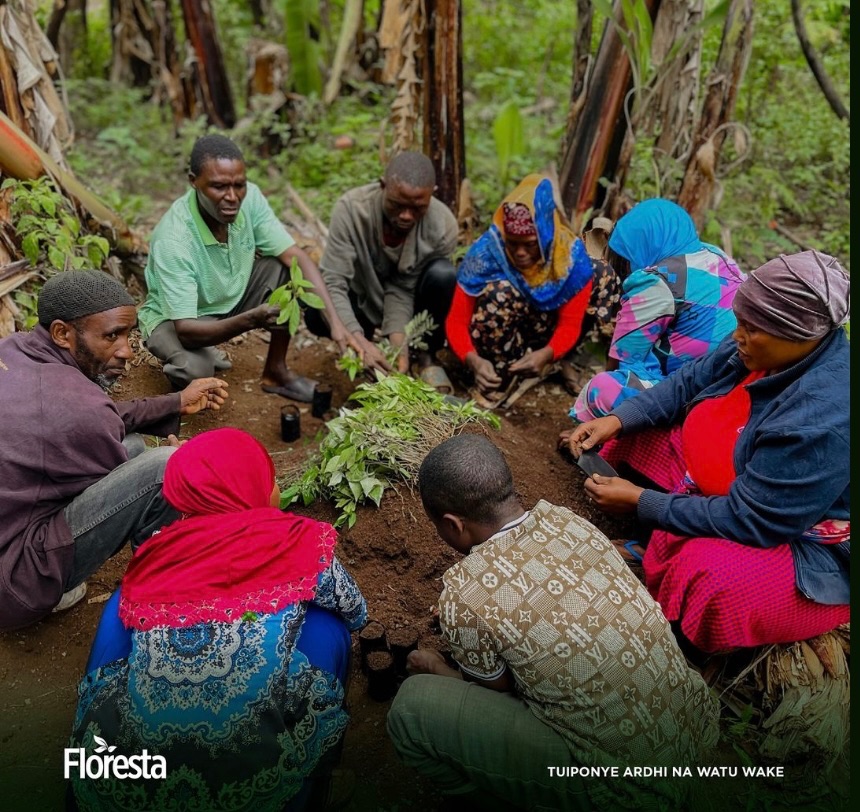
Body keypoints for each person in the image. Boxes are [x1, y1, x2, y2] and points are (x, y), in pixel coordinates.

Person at [388, 434, 719, 810]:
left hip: (627, 786)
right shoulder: (568, 522)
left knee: (411, 708)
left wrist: (435, 667)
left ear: (452, 525)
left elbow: (497, 691)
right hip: (691, 732)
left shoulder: (463, 596)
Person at [69, 428, 367, 812]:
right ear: (253, 488)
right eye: (271, 480)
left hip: (131, 788)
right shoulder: (297, 542)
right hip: (254, 788)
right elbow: (357, 610)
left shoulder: (157, 553)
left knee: (119, 611)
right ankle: (319, 778)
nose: (277, 489)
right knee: (330, 628)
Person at [567, 250, 849, 655]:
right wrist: (619, 418)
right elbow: (689, 381)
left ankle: (680, 639)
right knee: (628, 436)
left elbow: (752, 518)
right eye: (741, 321)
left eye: (753, 329)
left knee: (711, 576)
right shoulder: (756, 345)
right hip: (732, 480)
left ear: (801, 336)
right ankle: (655, 541)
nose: (738, 335)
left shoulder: (822, 417)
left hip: (799, 537)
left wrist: (642, 502)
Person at [0, 270, 227, 631]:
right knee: (165, 467)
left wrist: (175, 403)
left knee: (132, 444)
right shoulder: (79, 408)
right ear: (62, 333)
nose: (127, 352)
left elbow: (96, 420)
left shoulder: (14, 350)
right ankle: (163, 594)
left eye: (128, 334)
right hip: (14, 582)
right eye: (111, 336)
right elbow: (100, 432)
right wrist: (180, 462)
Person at [138, 133, 356, 401]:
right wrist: (252, 319)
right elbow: (186, 329)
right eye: (218, 187)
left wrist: (336, 323)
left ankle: (276, 372)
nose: (232, 197)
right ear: (193, 182)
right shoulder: (174, 238)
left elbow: (294, 255)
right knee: (195, 369)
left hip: (230, 294)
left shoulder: (249, 198)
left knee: (288, 273)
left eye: (239, 185)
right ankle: (183, 391)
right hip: (180, 317)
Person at [446, 174, 621, 404]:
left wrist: (549, 354)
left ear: (546, 234)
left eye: (530, 244)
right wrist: (472, 359)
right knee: (501, 290)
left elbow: (570, 323)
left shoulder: (569, 258)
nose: (519, 252)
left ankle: (567, 360)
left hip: (548, 328)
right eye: (512, 243)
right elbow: (457, 320)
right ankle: (501, 374)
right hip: (504, 333)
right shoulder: (486, 253)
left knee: (601, 272)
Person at [570, 198, 745, 421]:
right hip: (726, 386)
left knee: (603, 388)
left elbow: (623, 357)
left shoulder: (656, 281)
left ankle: (589, 434)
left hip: (684, 392)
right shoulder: (717, 256)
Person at [305, 151, 458, 387]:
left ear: (432, 195)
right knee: (316, 312)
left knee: (444, 275)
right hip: (361, 296)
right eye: (397, 205)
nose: (406, 216)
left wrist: (399, 347)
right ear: (382, 186)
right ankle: (363, 344)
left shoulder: (442, 225)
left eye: (417, 208)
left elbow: (403, 288)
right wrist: (358, 341)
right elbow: (334, 282)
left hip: (413, 303)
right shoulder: (351, 210)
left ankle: (424, 355)